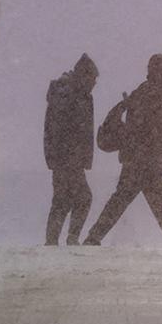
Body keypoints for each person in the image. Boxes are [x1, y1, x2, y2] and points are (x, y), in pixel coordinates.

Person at [82, 54, 162, 248]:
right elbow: (142, 129)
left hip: (141, 159)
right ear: (161, 73)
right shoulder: (150, 93)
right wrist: (149, 151)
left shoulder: (148, 92)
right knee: (155, 200)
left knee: (132, 200)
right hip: (143, 160)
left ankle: (93, 238)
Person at [43, 54, 99, 245]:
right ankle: (68, 238)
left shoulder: (73, 93)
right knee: (81, 198)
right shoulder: (69, 94)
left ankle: (54, 241)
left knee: (63, 199)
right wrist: (73, 155)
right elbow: (61, 129)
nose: (94, 83)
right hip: (67, 157)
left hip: (66, 157)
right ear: (84, 76)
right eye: (93, 79)